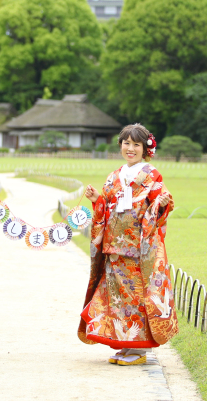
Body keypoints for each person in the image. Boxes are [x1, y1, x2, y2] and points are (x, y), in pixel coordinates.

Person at [78, 123, 178, 365]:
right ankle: (125, 344)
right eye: (126, 143)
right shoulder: (115, 175)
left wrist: (161, 203)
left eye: (136, 144)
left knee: (136, 296)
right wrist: (97, 200)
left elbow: (159, 207)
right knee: (117, 297)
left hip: (136, 248)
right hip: (114, 247)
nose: (130, 148)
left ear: (145, 149)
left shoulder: (151, 175)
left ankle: (139, 349)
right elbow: (108, 206)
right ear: (120, 145)